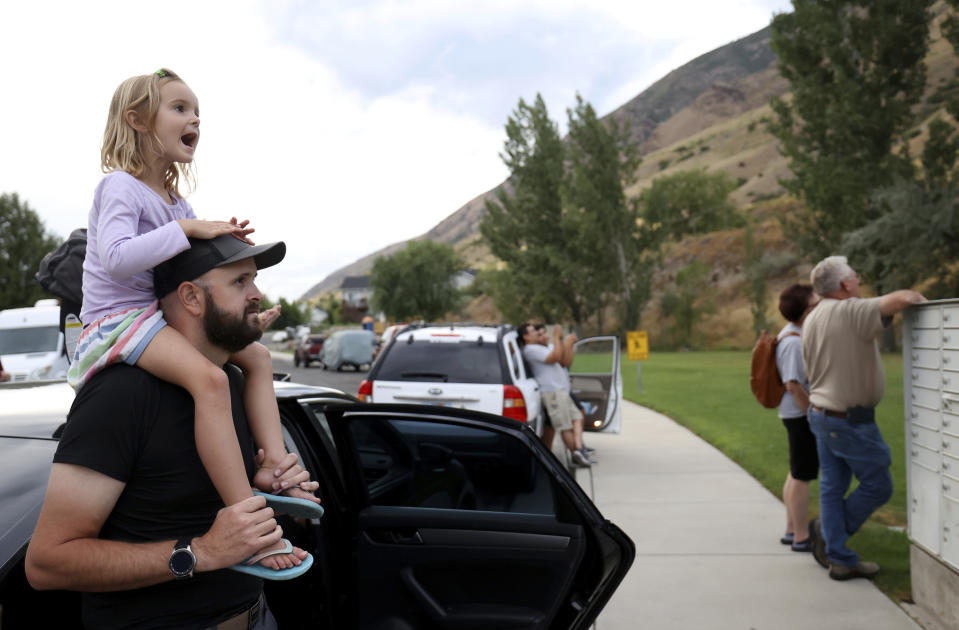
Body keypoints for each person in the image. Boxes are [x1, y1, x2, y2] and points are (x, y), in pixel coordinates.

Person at [68, 68, 317, 570]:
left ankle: (272, 471)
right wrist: (187, 228)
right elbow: (116, 258)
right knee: (209, 380)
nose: (194, 118)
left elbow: (188, 272)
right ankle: (246, 518)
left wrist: (223, 257)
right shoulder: (120, 187)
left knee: (260, 357)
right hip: (115, 321)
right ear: (136, 120)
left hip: (155, 315)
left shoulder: (177, 201)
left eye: (196, 110)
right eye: (179, 108)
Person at [26, 234, 318, 628]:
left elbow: (201, 504)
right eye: (240, 282)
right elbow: (47, 563)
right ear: (191, 298)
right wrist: (200, 552)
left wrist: (270, 487)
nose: (257, 294)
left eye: (254, 280)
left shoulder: (232, 382)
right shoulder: (121, 394)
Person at [802, 255, 925, 581]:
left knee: (831, 487)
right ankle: (831, 539)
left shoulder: (814, 317)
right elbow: (903, 299)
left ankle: (838, 556)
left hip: (822, 415)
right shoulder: (849, 311)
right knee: (879, 484)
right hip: (849, 420)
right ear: (845, 285)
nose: (859, 281)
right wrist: (930, 307)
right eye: (855, 277)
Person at [774, 284, 819, 552]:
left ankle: (792, 529)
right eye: (814, 305)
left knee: (796, 471)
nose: (818, 308)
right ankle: (801, 536)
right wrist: (812, 413)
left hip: (795, 413)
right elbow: (792, 383)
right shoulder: (792, 341)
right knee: (802, 475)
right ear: (803, 310)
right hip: (798, 414)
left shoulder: (794, 335)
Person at [519, 323, 591, 467]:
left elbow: (564, 362)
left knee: (577, 417)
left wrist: (568, 345)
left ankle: (578, 449)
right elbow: (555, 357)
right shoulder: (530, 350)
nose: (539, 335)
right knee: (564, 425)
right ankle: (576, 453)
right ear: (525, 337)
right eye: (534, 332)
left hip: (561, 391)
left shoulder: (546, 347)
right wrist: (557, 338)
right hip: (552, 392)